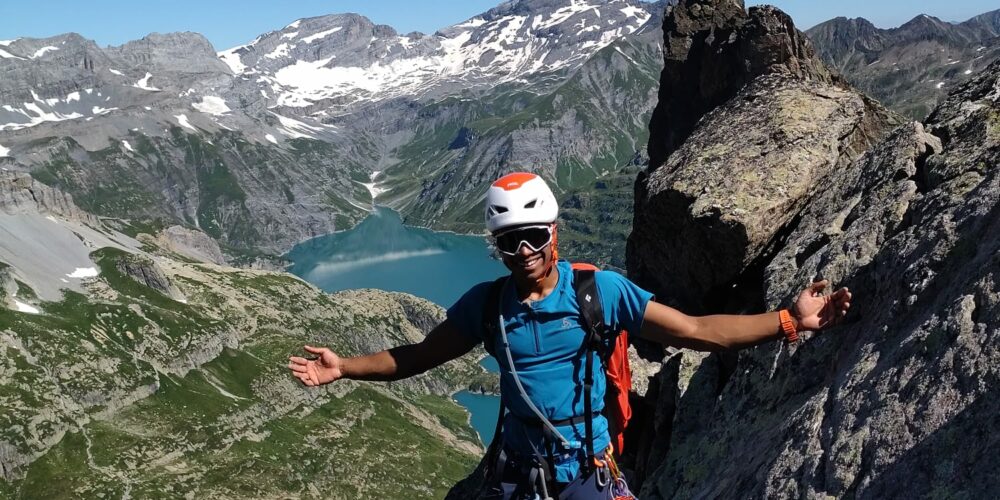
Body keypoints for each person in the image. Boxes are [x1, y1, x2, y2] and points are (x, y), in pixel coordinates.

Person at [288, 172, 851, 499]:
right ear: (497, 248)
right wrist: (344, 368)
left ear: (553, 233)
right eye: (510, 243)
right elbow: (418, 356)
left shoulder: (599, 291)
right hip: (516, 476)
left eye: (533, 237)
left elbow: (699, 331)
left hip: (585, 475)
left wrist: (787, 321)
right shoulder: (487, 305)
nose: (524, 253)